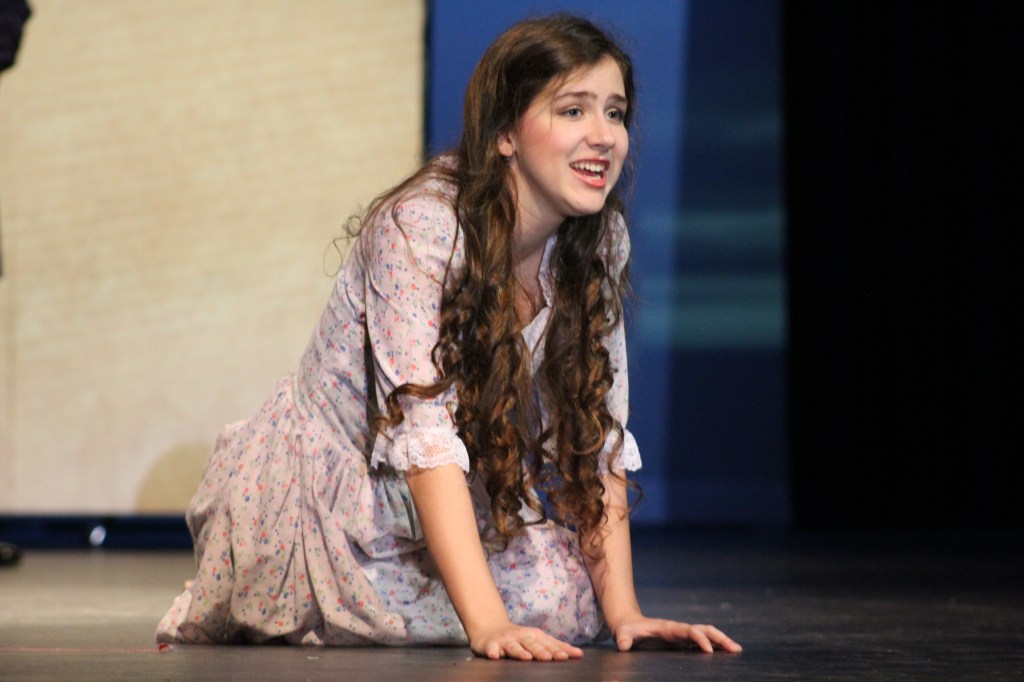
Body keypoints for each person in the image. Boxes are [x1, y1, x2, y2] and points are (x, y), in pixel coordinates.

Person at [157, 14, 741, 661]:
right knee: (494, 606)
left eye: (615, 112)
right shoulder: (421, 227)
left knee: (571, 602)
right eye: (573, 110)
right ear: (505, 133)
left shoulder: (597, 239)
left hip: (443, 495)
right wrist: (488, 625)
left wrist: (625, 612)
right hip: (334, 500)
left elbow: (592, 431)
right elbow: (425, 438)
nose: (603, 136)